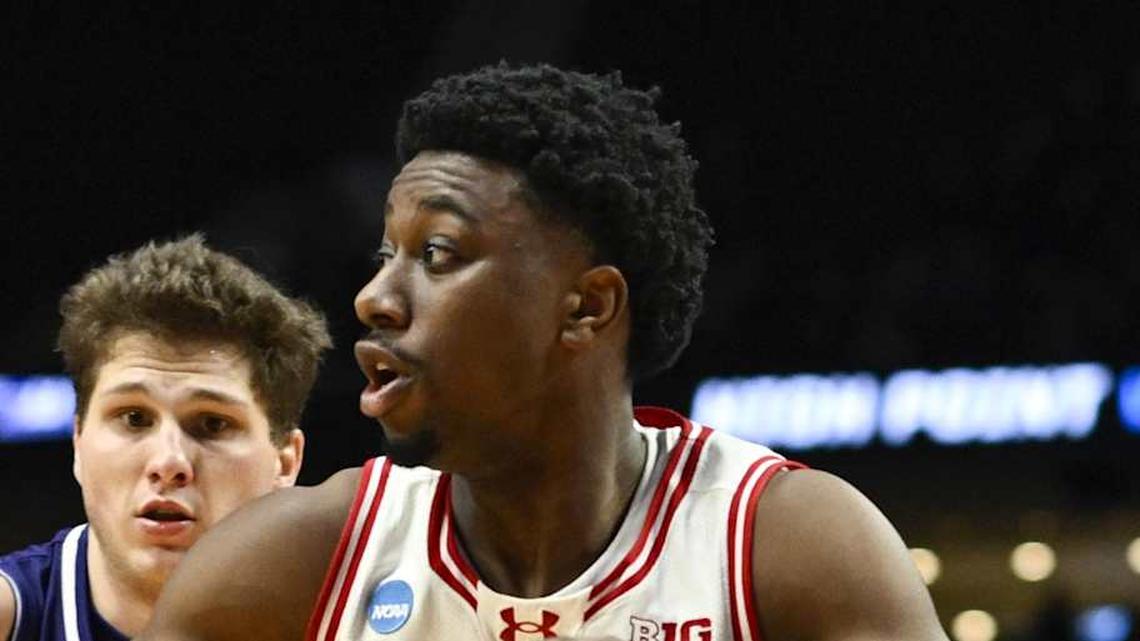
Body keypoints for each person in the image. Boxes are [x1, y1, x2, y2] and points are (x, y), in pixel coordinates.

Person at [139, 64, 948, 641]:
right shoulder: (290, 564)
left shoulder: (786, 546)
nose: (375, 298)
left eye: (439, 254)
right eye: (386, 253)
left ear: (587, 307)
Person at [0, 235, 332, 641]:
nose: (169, 462)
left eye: (212, 424)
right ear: (78, 444)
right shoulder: (11, 616)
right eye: (135, 418)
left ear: (285, 463)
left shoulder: (362, 623)